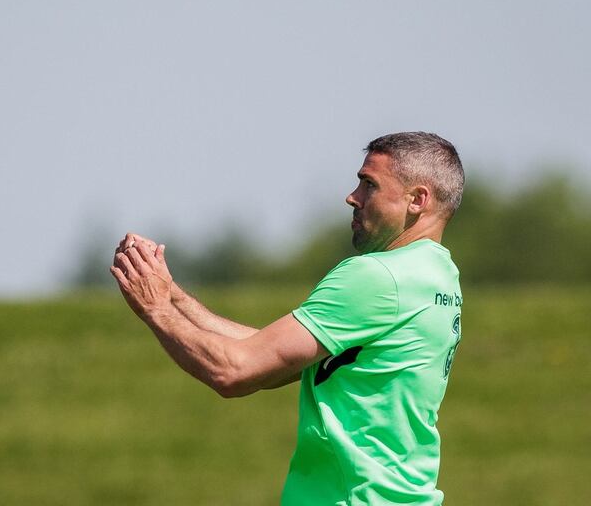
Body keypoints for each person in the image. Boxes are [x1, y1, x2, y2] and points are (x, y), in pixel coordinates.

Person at [111, 132, 465, 505]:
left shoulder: (376, 276)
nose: (352, 197)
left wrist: (157, 310)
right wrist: (173, 295)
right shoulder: (438, 276)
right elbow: (272, 353)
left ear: (417, 199)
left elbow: (235, 371)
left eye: (369, 184)